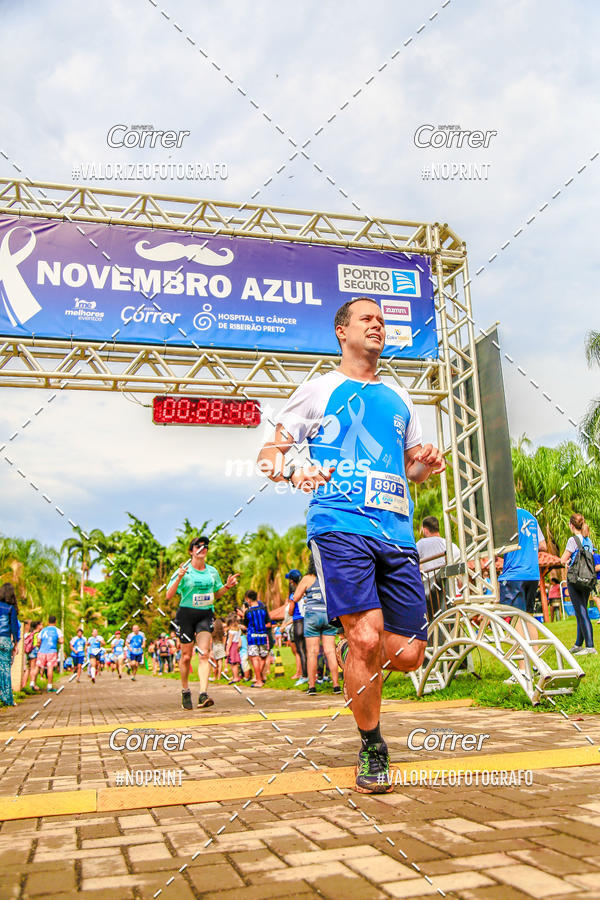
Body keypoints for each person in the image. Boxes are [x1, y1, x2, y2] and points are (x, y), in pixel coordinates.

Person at [257, 296, 445, 793]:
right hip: (338, 524)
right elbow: (268, 453)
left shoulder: (402, 400)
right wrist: (295, 469)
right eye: (367, 318)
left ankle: (356, 654)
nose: (378, 325)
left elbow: (411, 471)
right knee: (365, 638)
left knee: (407, 655)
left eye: (382, 320)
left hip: (396, 533)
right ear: (342, 332)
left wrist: (427, 462)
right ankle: (373, 745)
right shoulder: (319, 390)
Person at [166, 535, 240, 710]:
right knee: (185, 656)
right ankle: (185, 691)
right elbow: (168, 595)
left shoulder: (212, 571)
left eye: (204, 546)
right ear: (191, 551)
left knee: (204, 654)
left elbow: (217, 593)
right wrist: (178, 578)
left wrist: (227, 586)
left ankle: (203, 694)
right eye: (197, 546)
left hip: (205, 614)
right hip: (186, 615)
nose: (202, 548)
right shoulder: (184, 570)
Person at [292, 553, 341, 695]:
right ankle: (336, 685)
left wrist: (308, 598)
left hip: (312, 616)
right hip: (328, 615)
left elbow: (295, 598)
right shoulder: (329, 577)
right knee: (330, 651)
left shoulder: (308, 578)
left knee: (312, 652)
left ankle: (312, 686)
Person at [561, 514, 597, 655]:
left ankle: (590, 646)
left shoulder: (573, 539)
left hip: (575, 579)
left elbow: (563, 559)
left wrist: (565, 562)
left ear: (571, 525)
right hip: (587, 579)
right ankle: (578, 644)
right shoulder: (588, 541)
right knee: (581, 610)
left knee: (581, 611)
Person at [416, 516, 461, 619]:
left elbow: (411, 565)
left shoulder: (421, 544)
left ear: (425, 530)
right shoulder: (451, 545)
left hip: (431, 597)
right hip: (452, 594)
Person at [286, 569, 308, 685]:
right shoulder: (306, 588)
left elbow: (290, 611)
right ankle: (315, 674)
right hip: (308, 620)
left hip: (297, 621)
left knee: (301, 650)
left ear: (292, 581)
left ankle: (304, 675)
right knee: (309, 650)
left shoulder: (294, 593)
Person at [243, 590, 269, 687]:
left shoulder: (248, 612)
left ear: (248, 599)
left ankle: (258, 680)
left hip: (252, 636)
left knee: (255, 658)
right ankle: (260, 677)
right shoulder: (263, 609)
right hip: (263, 635)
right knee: (263, 657)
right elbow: (267, 621)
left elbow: (245, 624)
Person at [0, 583, 20, 706]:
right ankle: (7, 699)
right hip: (5, 640)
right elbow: (14, 628)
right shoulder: (10, 608)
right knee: (5, 670)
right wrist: (15, 644)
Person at [36, 615, 64, 692]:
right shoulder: (57, 630)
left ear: (48, 622)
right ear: (55, 621)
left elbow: (38, 641)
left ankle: (32, 683)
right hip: (52, 651)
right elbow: (62, 641)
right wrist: (56, 641)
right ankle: (49, 686)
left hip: (42, 651)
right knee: (50, 668)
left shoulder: (43, 630)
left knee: (37, 666)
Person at [226, 613, 242, 682]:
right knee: (235, 662)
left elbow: (229, 642)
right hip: (236, 645)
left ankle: (235, 677)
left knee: (233, 663)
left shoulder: (231, 631)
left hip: (232, 646)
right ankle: (236, 676)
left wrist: (227, 650)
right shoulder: (238, 630)